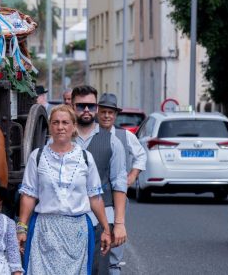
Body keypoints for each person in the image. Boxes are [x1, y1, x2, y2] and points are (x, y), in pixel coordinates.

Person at [18, 105, 112, 274]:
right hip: (45, 230)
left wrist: (106, 229)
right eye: (55, 123)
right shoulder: (37, 156)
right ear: (50, 126)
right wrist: (21, 228)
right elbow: (28, 195)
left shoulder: (85, 158)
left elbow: (95, 197)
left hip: (77, 232)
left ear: (74, 126)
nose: (60, 127)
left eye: (65, 122)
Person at [68, 86, 128, 275]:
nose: (86, 110)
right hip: (66, 218)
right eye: (81, 106)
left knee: (98, 270)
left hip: (100, 220)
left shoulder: (112, 142)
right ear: (72, 105)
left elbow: (119, 183)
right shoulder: (60, 139)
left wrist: (118, 224)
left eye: (91, 106)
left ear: (96, 108)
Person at [93, 93, 145, 274]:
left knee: (115, 244)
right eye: (104, 112)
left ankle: (113, 268)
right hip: (93, 198)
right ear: (97, 112)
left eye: (111, 112)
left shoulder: (124, 136)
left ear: (115, 115)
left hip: (116, 198)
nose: (107, 116)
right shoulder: (89, 134)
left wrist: (132, 177)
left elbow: (140, 156)